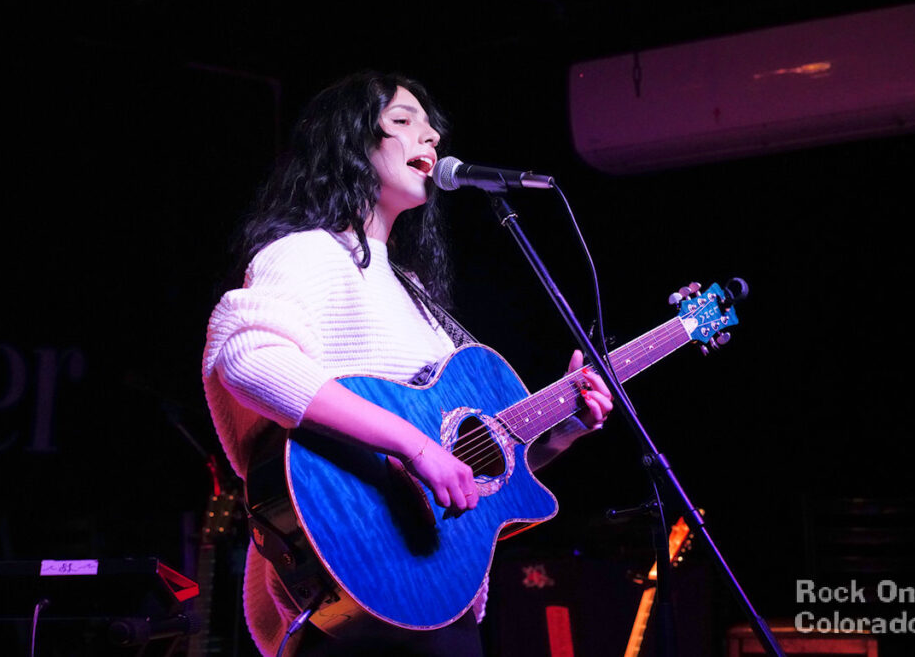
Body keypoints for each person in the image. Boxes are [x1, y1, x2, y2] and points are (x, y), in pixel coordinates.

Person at [202, 70, 612, 656]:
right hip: (354, 583)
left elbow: (471, 470)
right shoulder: (307, 253)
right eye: (402, 120)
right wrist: (415, 447)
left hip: (439, 592)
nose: (432, 137)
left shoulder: (411, 288)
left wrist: (563, 429)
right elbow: (249, 359)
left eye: (431, 127)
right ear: (349, 142)